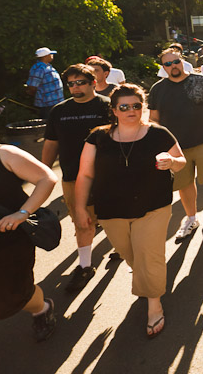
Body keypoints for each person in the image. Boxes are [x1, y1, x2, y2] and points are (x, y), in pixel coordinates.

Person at [76, 84, 186, 339]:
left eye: (136, 106)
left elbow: (181, 162)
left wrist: (172, 162)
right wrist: (81, 208)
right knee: (131, 256)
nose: (130, 111)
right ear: (114, 110)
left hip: (153, 206)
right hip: (111, 210)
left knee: (149, 255)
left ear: (143, 107)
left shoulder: (158, 134)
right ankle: (148, 281)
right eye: (124, 107)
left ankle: (153, 304)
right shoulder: (98, 137)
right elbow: (85, 174)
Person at [0, 107, 59, 373]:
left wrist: (23, 213)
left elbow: (47, 177)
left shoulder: (3, 154)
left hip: (7, 245)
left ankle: (42, 307)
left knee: (12, 297)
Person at [41, 64, 112, 292]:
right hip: (73, 176)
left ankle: (122, 248)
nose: (75, 87)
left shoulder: (107, 106)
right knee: (83, 222)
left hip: (109, 176)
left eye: (80, 82)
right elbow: (51, 143)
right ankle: (85, 266)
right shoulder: (59, 111)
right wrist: (43, 171)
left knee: (114, 218)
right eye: (71, 84)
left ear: (93, 82)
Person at [148, 48, 203, 241]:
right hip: (174, 147)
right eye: (167, 64)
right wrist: (156, 144)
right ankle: (191, 218)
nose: (173, 66)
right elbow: (153, 119)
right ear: (163, 67)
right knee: (184, 183)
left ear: (182, 61)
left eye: (175, 62)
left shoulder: (201, 81)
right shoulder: (158, 89)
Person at [26, 47, 64, 120]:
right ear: (45, 56)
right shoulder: (39, 68)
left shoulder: (47, 66)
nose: (52, 56)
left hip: (55, 103)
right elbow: (32, 87)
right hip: (47, 105)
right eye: (50, 54)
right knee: (49, 125)